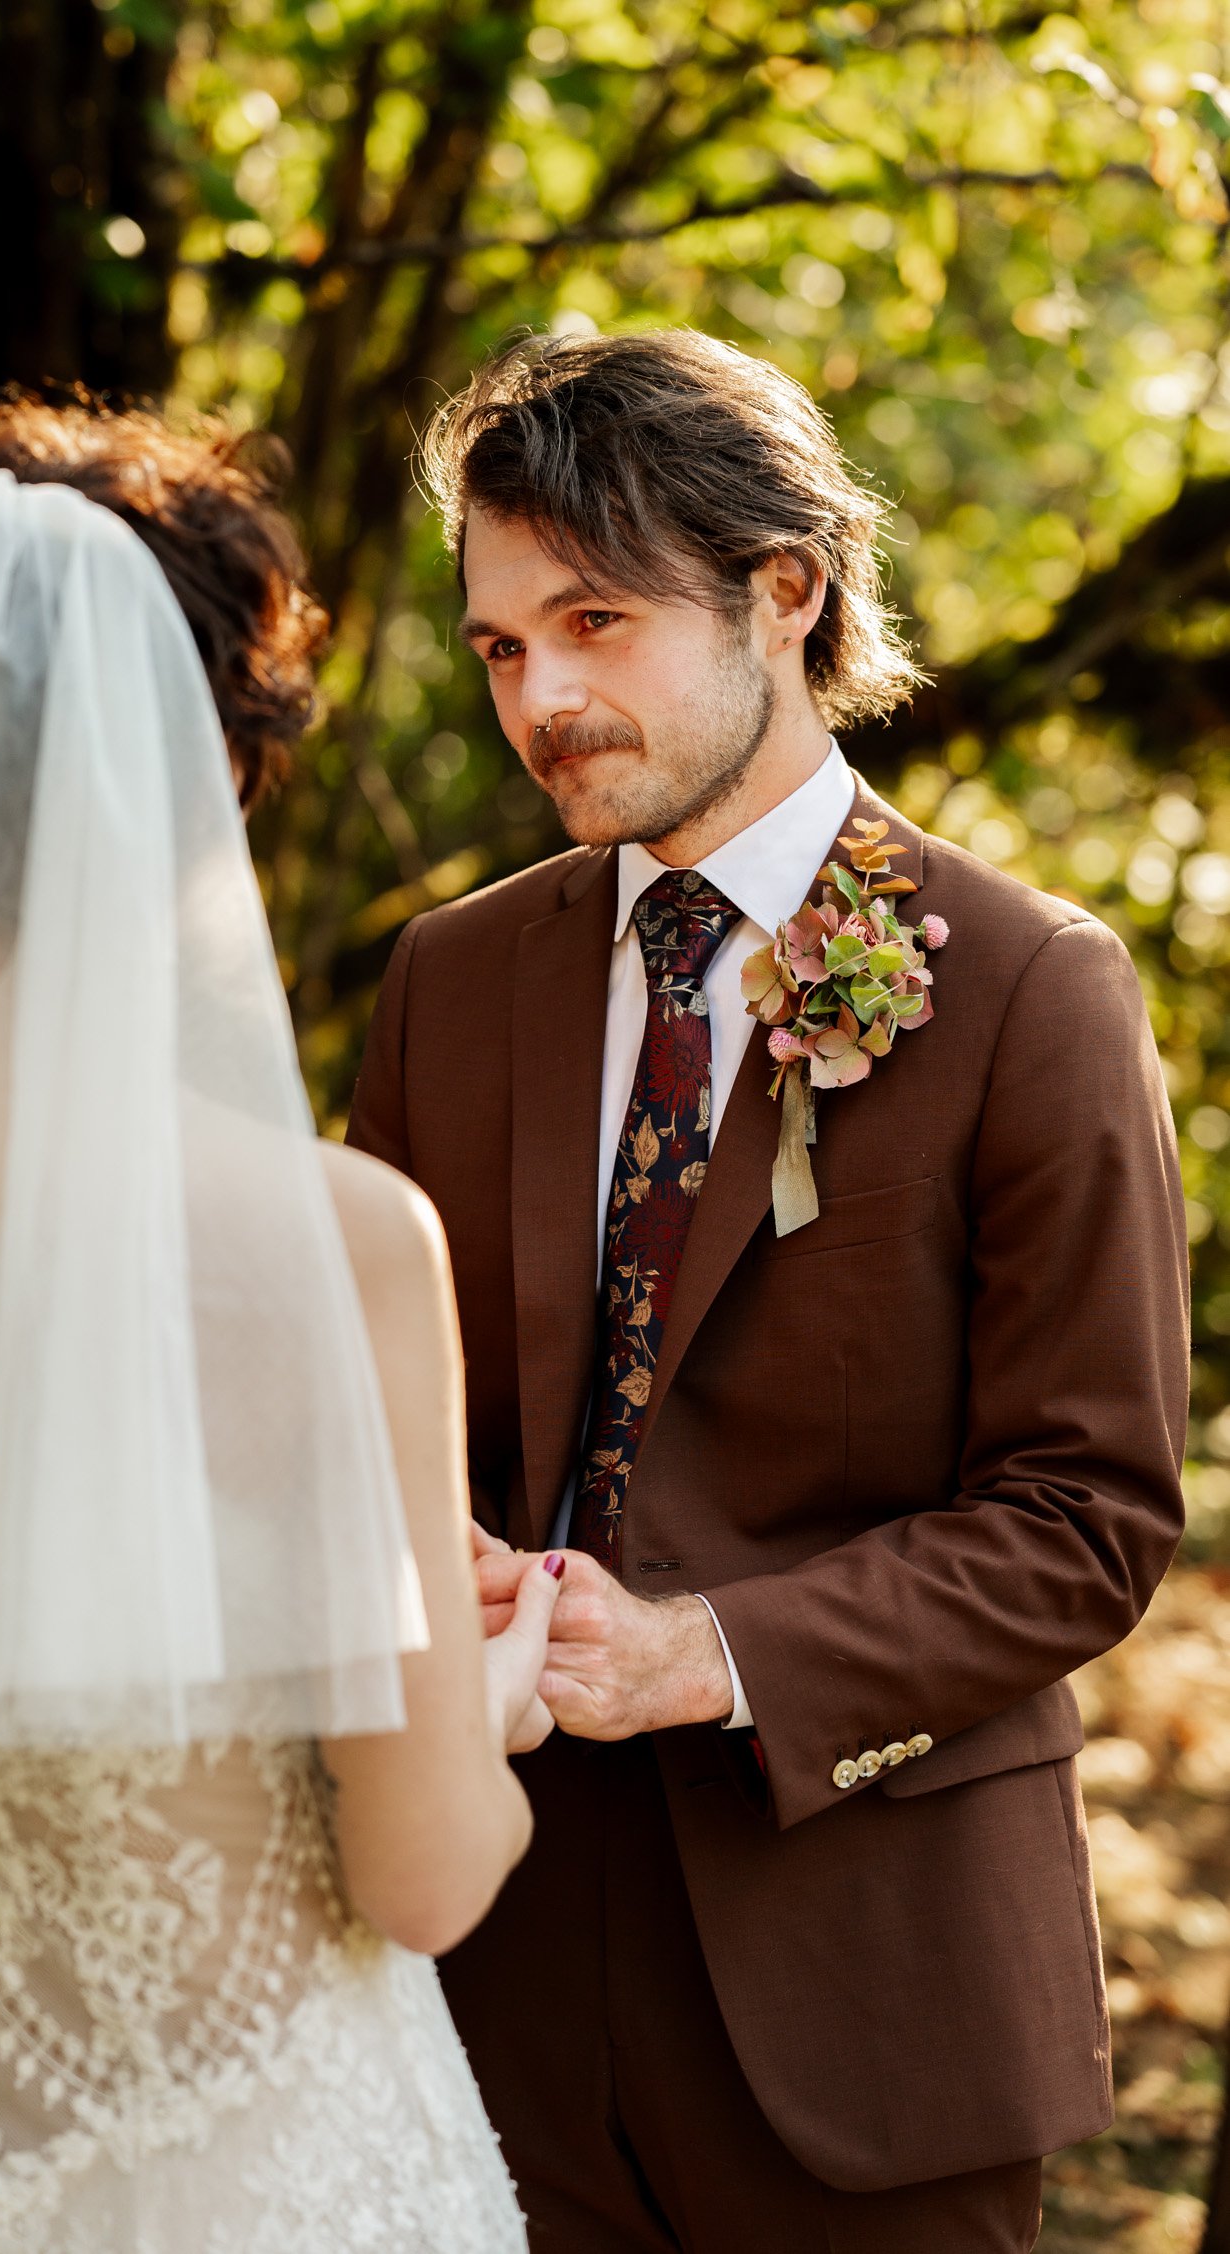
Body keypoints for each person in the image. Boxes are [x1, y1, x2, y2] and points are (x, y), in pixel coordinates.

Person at [346, 328, 1190, 2254]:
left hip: (868, 1993)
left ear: (784, 591)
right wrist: (431, 1553)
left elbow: (1088, 1520)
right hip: (487, 1985)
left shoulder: (1026, 986)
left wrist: (704, 1652)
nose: (542, 697)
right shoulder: (452, 983)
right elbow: (367, 1425)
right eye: (498, 648)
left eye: (594, 621)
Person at [0, 401, 564, 2253]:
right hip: (272, 2193)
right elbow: (424, 1875)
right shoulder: (337, 1241)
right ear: (197, 782)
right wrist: (494, 1698)